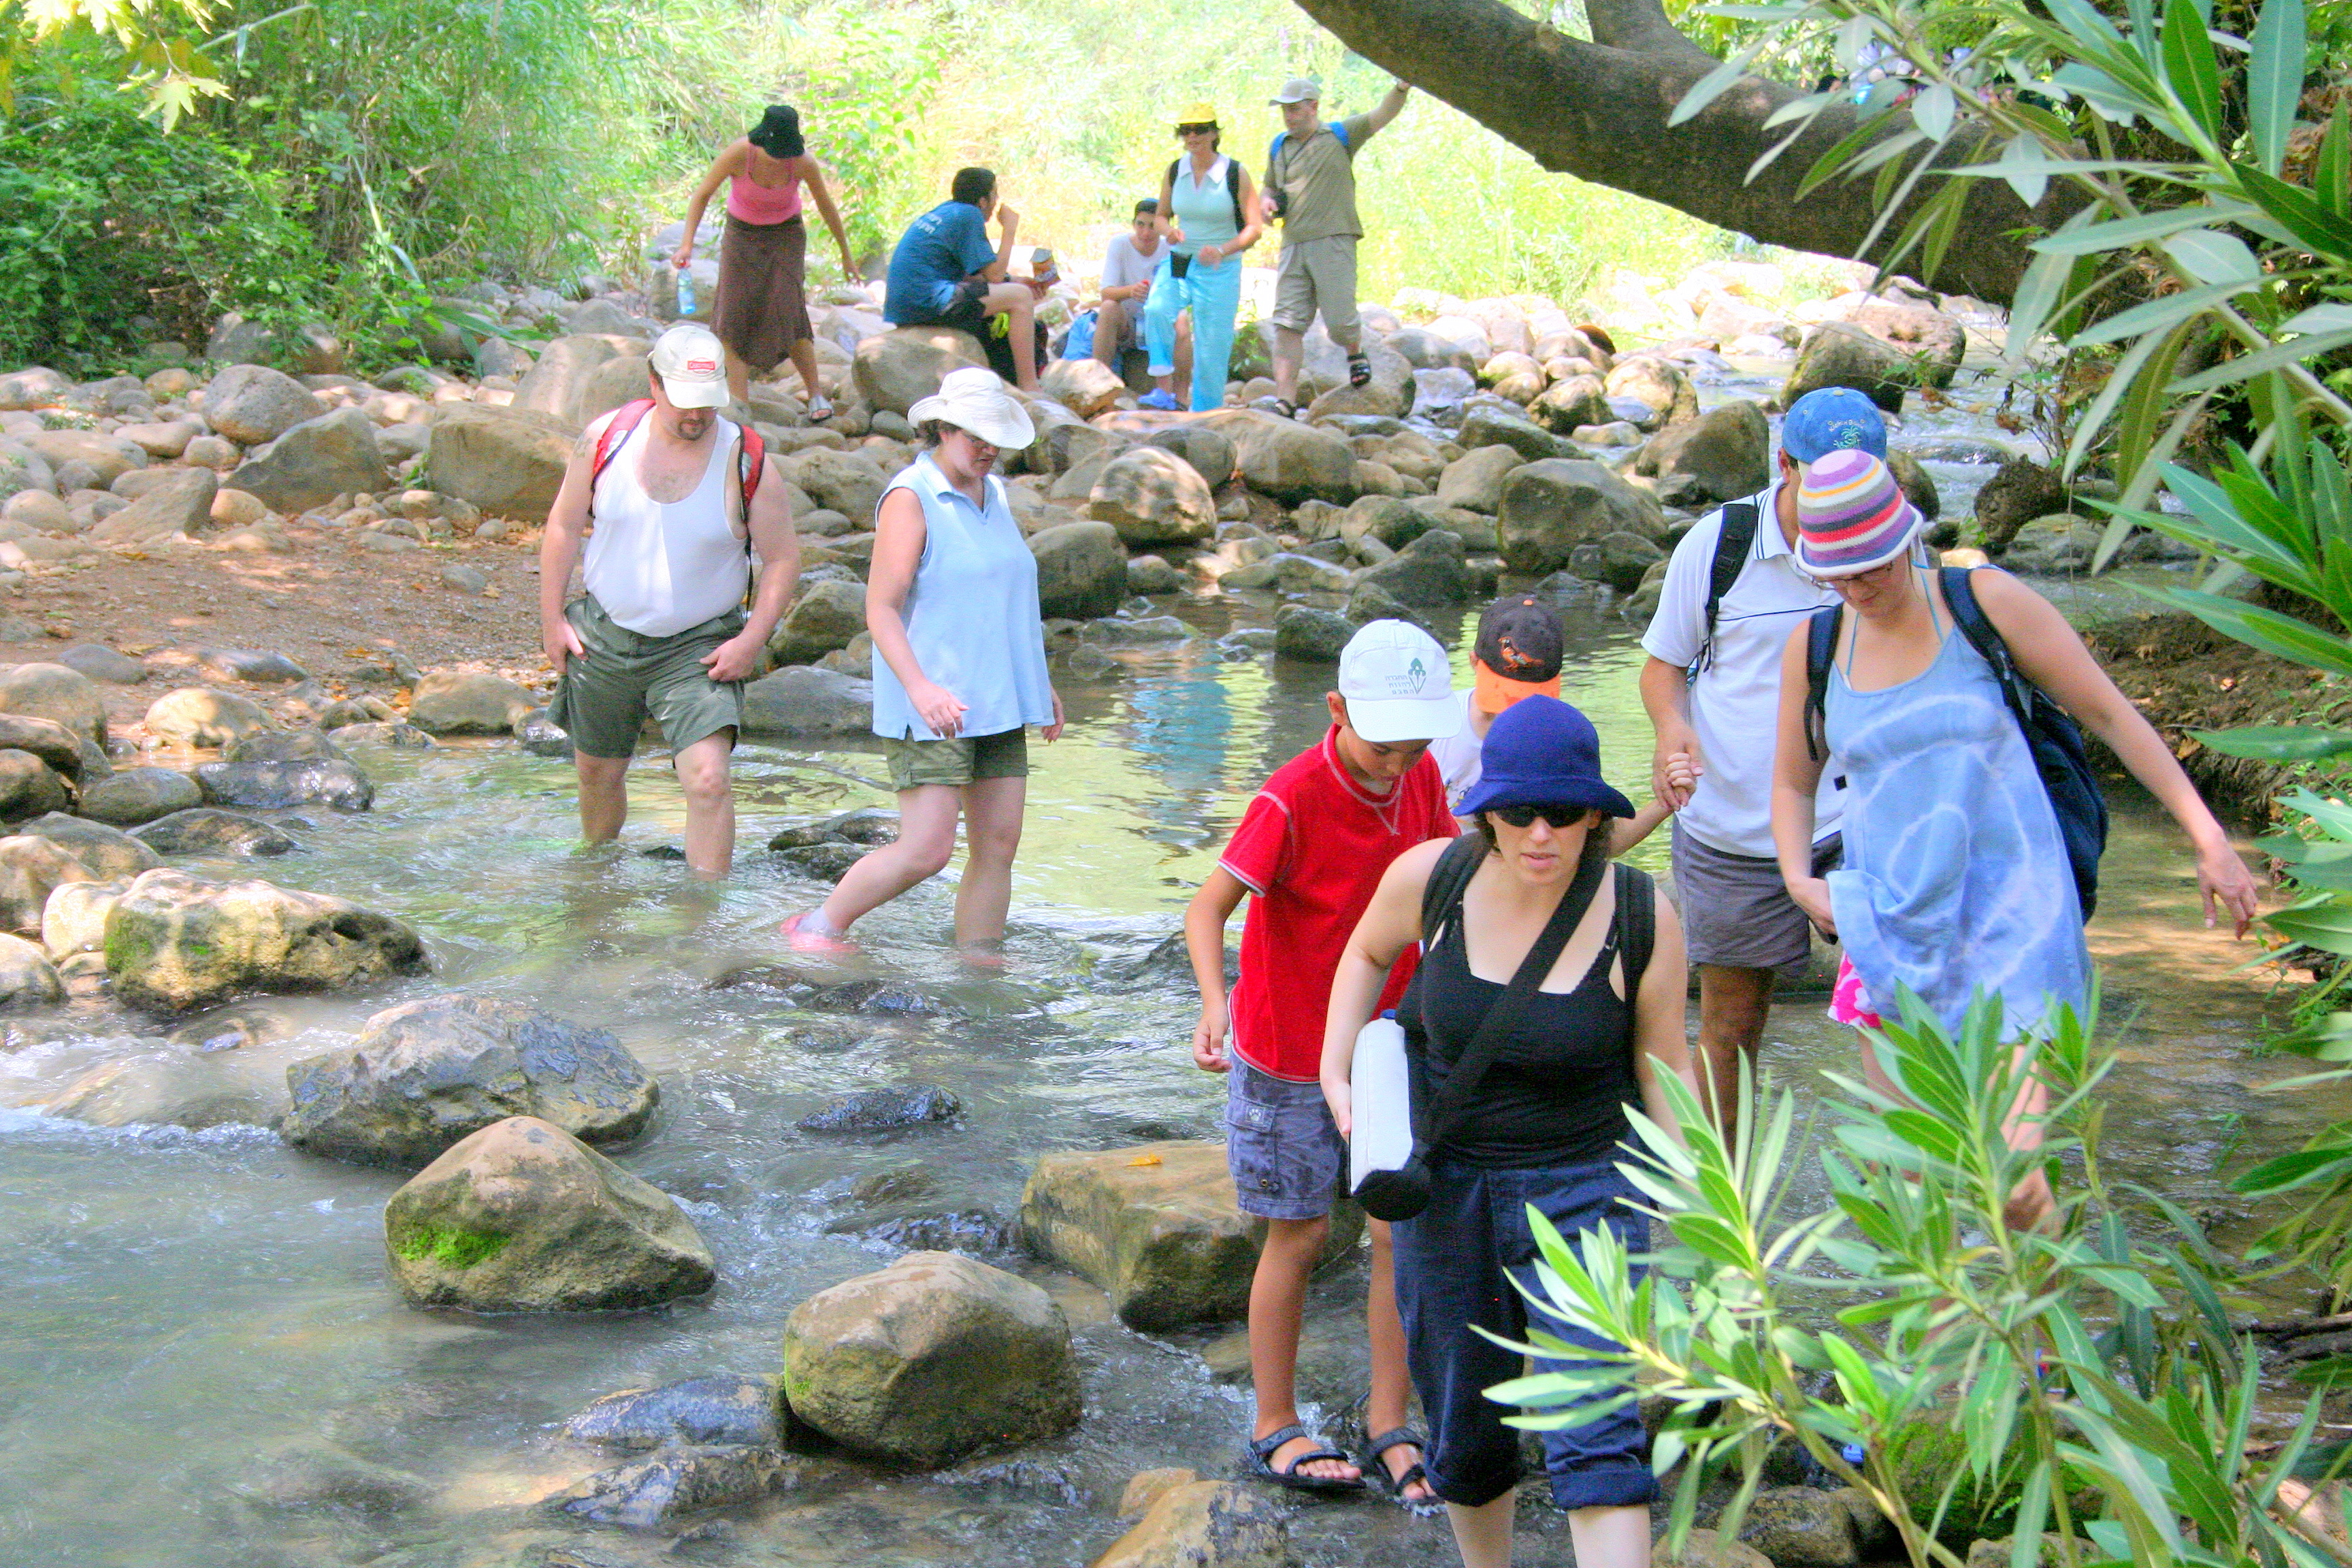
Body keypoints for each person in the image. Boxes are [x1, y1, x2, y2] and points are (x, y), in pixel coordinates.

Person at [1768, 450, 2261, 1226]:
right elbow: (1794, 782)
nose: (1857, 589)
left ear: (1907, 538)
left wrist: (2209, 837)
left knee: (2016, 1184)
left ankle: (2042, 1310)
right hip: (1891, 925)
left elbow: (2109, 715)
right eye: (1837, 575)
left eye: (1871, 568)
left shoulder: (1985, 604)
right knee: (1907, 1189)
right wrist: (1799, 879)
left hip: (2015, 922)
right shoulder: (1817, 645)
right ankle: (1964, 1315)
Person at [1322, 696, 1695, 1568]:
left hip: (1588, 1189)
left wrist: (1699, 1206)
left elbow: (1663, 1070)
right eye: (1518, 811)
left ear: (1596, 815)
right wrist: (1336, 1072)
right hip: (1448, 1192)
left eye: (1563, 811)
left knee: (1597, 1431)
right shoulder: (1433, 880)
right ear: (1485, 810)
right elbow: (1367, 952)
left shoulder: (1642, 916)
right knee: (1468, 1423)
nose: (1540, 833)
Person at [1185, 619, 1460, 1508]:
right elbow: (1207, 909)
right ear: (1337, 710)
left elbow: (1449, 883)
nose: (1398, 765)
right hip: (1291, 1054)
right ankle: (1275, 1421)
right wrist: (1216, 1001)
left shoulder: (1419, 776)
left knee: (1395, 1232)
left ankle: (1390, 1420)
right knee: (1298, 1235)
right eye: (1383, 748)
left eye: (1415, 746)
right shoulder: (1291, 796)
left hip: (1387, 1045)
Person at [1636, 387, 1883, 1132]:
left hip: (1859, 820)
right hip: (1733, 830)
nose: (1846, 501)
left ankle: (1911, 1188)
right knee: (1732, 1028)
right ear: (1785, 465)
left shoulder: (1890, 542)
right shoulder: (1720, 545)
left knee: (1899, 1012)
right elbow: (1663, 667)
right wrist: (1672, 729)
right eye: (1824, 478)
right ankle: (1724, 1193)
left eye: (1864, 480)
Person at [784, 369, 1064, 960]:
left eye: (996, 438)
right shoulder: (912, 497)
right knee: (927, 850)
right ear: (943, 428)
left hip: (998, 700)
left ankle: (979, 967)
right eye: (976, 436)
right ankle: (818, 926)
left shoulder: (995, 494)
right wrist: (920, 688)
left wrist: (1039, 684)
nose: (988, 449)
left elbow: (1005, 597)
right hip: (932, 702)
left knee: (998, 846)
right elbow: (880, 609)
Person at [539, 323, 801, 879]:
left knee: (708, 780)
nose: (697, 415)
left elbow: (782, 559)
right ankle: (596, 886)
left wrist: (752, 640)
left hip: (699, 646)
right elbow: (562, 526)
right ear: (654, 383)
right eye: (684, 400)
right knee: (597, 774)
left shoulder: (745, 459)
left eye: (708, 401)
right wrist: (551, 620)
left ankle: (705, 915)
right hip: (603, 635)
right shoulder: (606, 438)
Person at [671, 103, 858, 416]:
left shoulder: (803, 163)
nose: (782, 160)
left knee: (788, 308)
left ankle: (816, 395)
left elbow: (826, 205)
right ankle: (740, 404)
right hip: (741, 235)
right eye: (775, 153)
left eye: (787, 154)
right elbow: (702, 194)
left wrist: (846, 255)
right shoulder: (739, 154)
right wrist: (686, 245)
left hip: (786, 236)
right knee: (733, 312)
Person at [1258, 76, 1409, 417]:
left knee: (1339, 323)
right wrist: (1266, 202)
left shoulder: (1341, 135)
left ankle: (1354, 351)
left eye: (1294, 109)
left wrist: (1401, 88)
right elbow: (1268, 186)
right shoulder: (1279, 146)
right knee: (1287, 324)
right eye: (1285, 110)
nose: (1288, 117)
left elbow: (1382, 115)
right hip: (1293, 244)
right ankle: (1285, 400)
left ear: (1313, 106)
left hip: (1334, 239)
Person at [1137, 104, 1264, 413]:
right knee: (1157, 308)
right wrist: (1169, 232)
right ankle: (1163, 385)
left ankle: (1206, 415)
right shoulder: (1175, 170)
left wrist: (1222, 250)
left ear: (1214, 133)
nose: (1192, 136)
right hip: (1181, 259)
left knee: (1212, 347)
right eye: (1186, 131)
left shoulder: (1234, 172)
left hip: (1220, 268)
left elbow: (1255, 228)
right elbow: (1162, 216)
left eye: (1200, 130)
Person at [883, 167, 1044, 392]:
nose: (996, 202)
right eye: (994, 195)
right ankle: (1030, 387)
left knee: (1015, 291)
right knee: (1022, 298)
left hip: (903, 305)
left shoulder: (948, 211)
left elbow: (974, 274)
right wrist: (1010, 229)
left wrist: (1013, 279)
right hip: (927, 301)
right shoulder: (969, 216)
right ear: (983, 201)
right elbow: (995, 277)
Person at [1092, 198, 1190, 382]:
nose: (1145, 233)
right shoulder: (1120, 244)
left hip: (1159, 324)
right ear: (1133, 224)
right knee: (1108, 308)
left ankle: (1180, 390)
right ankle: (1099, 380)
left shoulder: (1171, 249)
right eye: (1140, 224)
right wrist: (1131, 291)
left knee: (1182, 318)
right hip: (1127, 324)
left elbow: (1182, 294)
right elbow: (1106, 293)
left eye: (1152, 226)